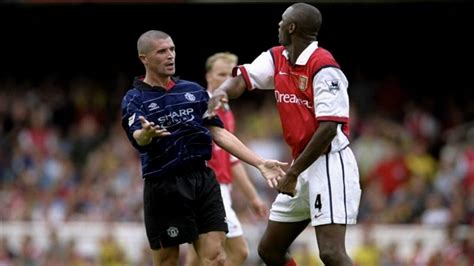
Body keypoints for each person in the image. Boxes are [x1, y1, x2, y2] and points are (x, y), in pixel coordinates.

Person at [207, 3, 361, 266]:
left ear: (291, 27)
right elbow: (244, 78)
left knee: (331, 253)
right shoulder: (277, 57)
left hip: (329, 164)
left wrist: (291, 174)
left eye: (282, 21)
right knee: (270, 250)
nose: (277, 25)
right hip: (301, 166)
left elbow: (328, 129)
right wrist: (222, 92)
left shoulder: (324, 67)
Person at [120, 30, 287, 266]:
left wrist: (258, 162)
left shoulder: (194, 91)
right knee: (167, 261)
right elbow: (137, 135)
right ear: (144, 58)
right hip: (164, 185)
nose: (170, 56)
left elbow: (218, 133)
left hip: (203, 181)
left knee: (217, 258)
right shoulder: (134, 98)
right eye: (162, 51)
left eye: (172, 49)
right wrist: (145, 134)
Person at [185, 52, 269, 266]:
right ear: (208, 76)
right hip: (208, 188)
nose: (225, 80)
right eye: (220, 74)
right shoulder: (201, 106)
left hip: (221, 189)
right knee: (237, 252)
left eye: (230, 75)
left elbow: (232, 161)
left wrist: (252, 198)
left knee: (198, 255)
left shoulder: (226, 111)